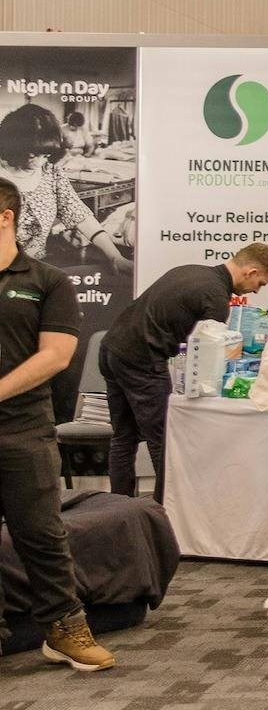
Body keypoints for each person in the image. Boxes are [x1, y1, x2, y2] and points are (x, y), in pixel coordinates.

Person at [0, 177, 114, 671]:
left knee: (41, 534)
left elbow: (55, 356)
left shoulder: (47, 281)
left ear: (5, 217)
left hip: (22, 429)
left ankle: (64, 629)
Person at [101, 241, 268, 501]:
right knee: (163, 441)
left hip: (111, 349)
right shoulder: (216, 297)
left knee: (123, 437)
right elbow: (212, 358)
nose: (256, 290)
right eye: (260, 283)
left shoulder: (190, 271)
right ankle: (164, 511)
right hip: (142, 360)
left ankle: (120, 507)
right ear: (250, 272)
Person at [0, 104, 126, 273]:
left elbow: (80, 216)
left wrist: (115, 257)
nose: (39, 163)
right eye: (32, 155)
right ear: (14, 146)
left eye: (46, 155)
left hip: (34, 268)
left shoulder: (51, 173)